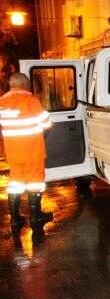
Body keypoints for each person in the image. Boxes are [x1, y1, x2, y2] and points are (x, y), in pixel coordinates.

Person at [0, 73, 53, 246]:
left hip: (14, 153)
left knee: (16, 183)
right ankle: (36, 216)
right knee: (35, 183)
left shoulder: (2, 102)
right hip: (32, 151)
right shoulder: (30, 100)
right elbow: (47, 123)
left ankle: (15, 218)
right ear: (24, 84)